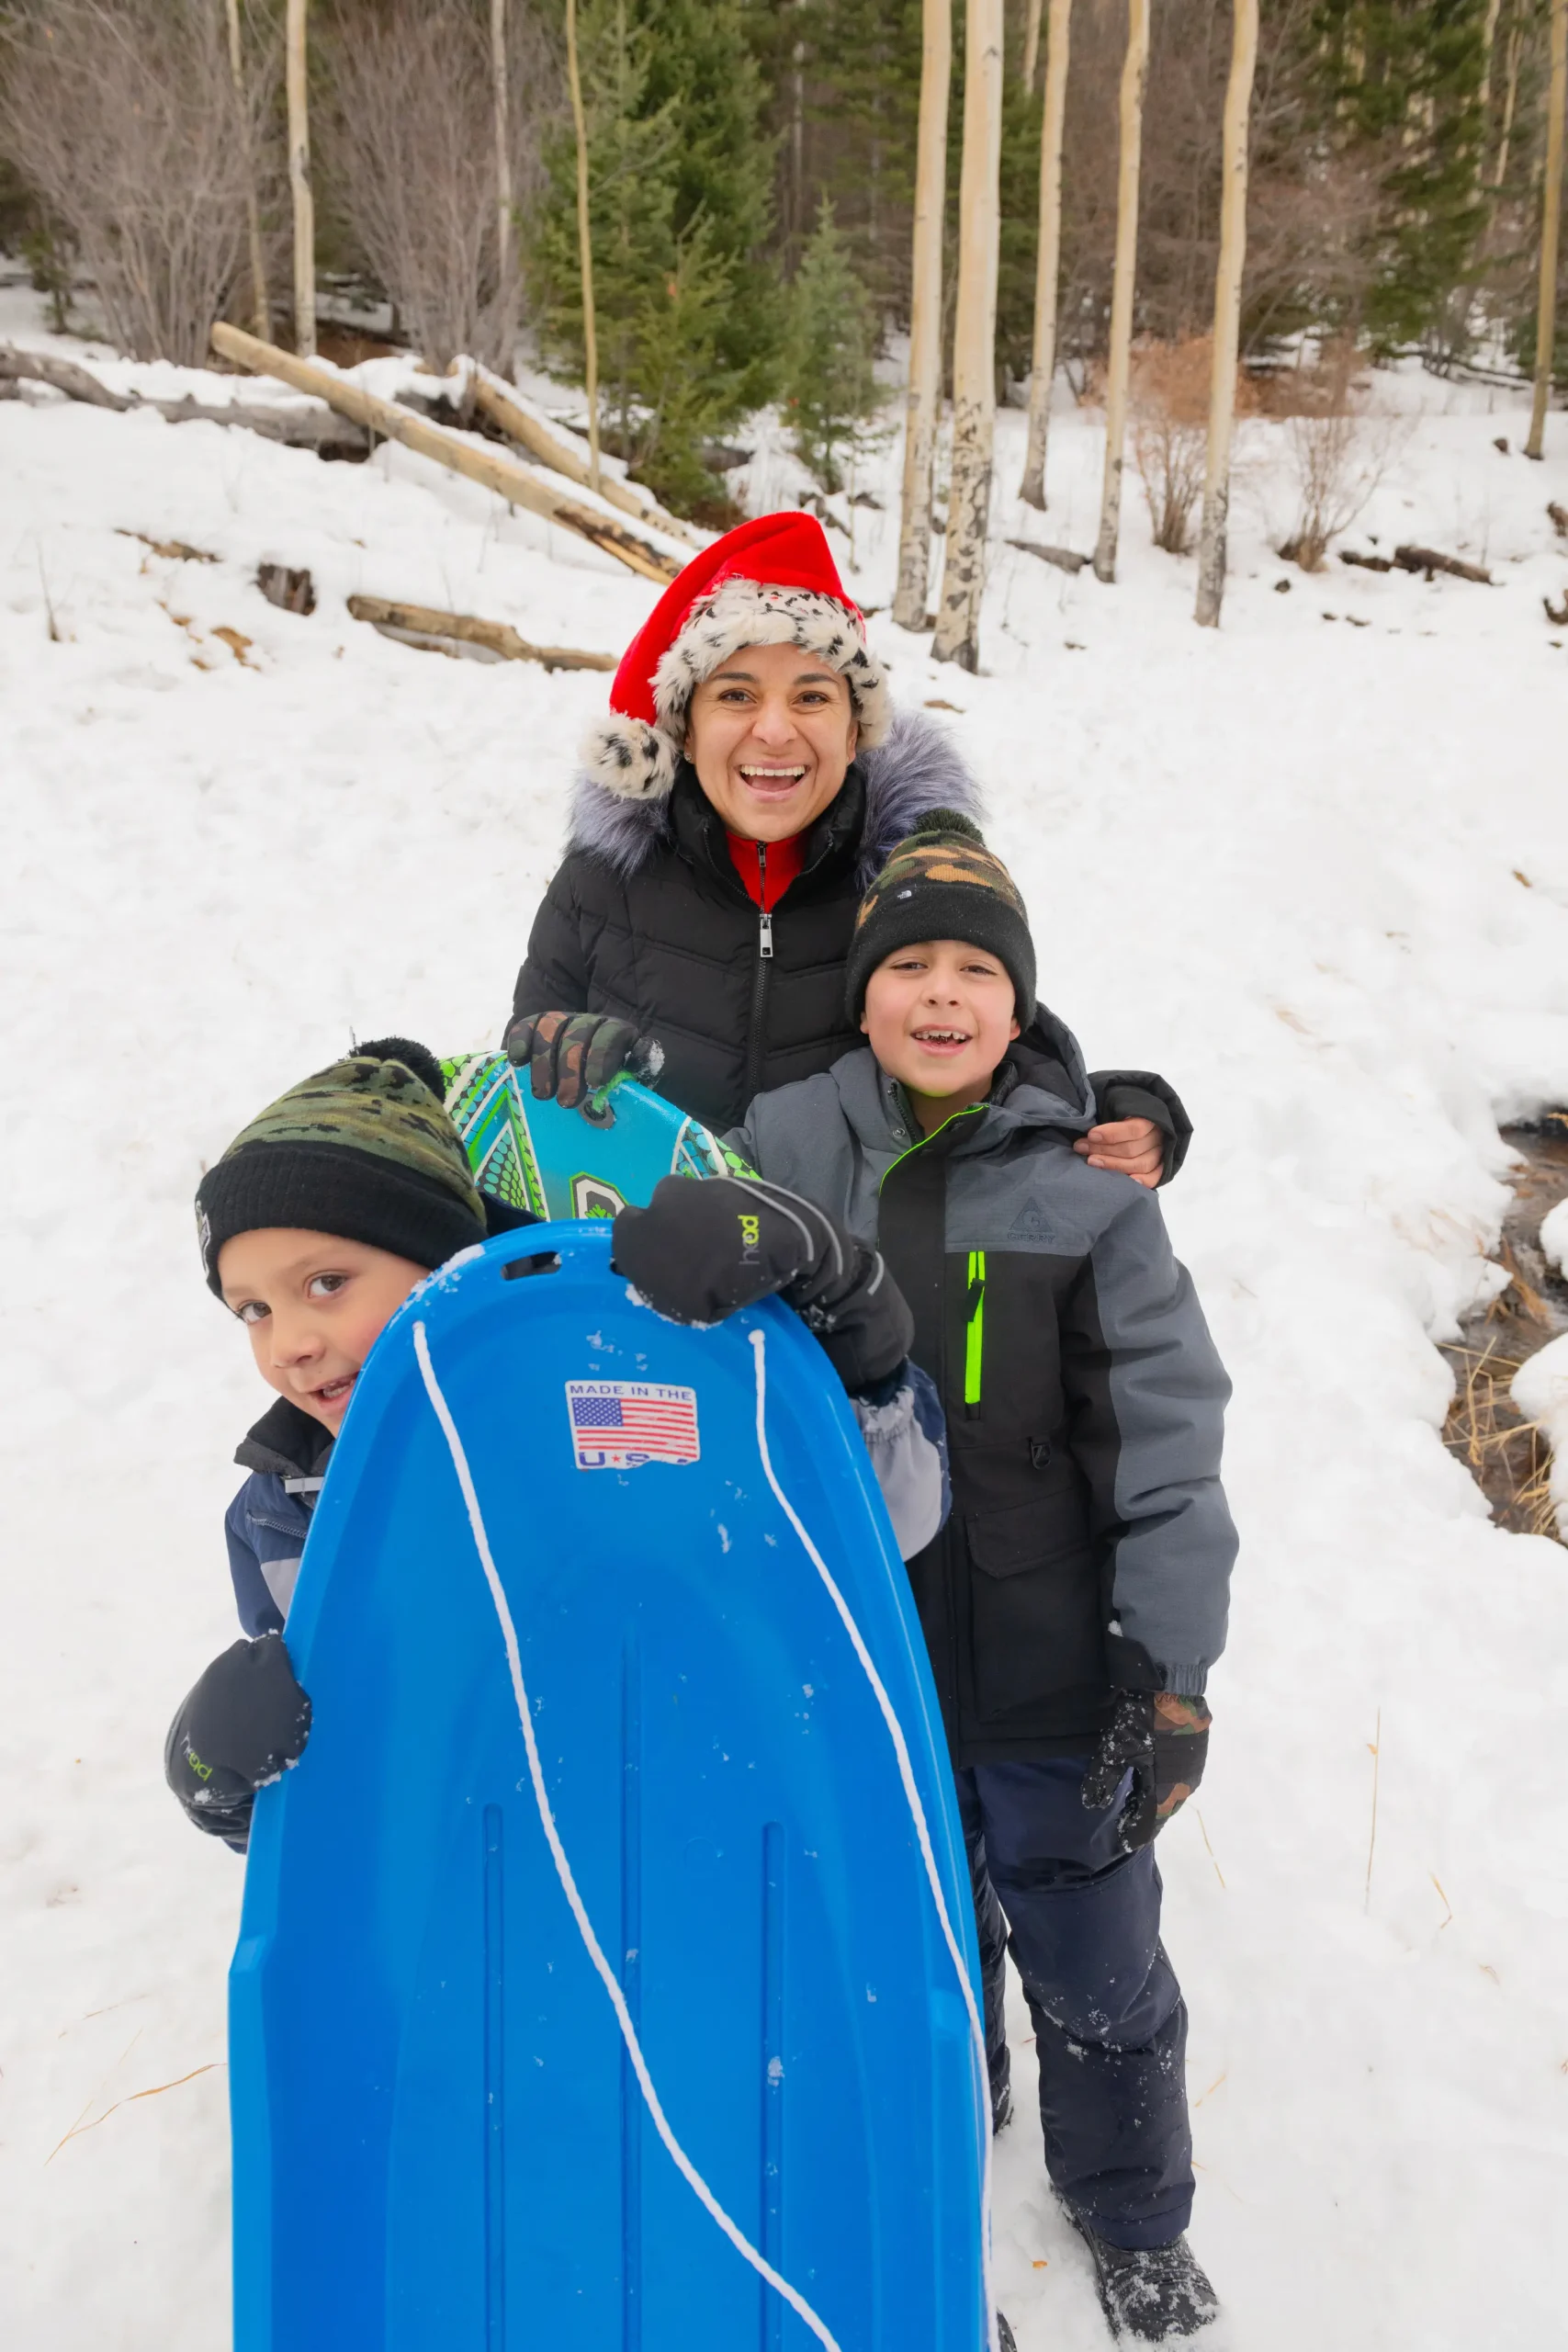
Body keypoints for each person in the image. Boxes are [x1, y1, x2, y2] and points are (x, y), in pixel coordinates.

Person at [612, 813, 1238, 2345]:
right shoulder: (775, 1145)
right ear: (864, 994)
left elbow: (1168, 1438)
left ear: (1019, 1009)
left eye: (977, 969)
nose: (942, 995)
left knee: (1096, 1961)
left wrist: (1165, 1671)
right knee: (916, 1940)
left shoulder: (1089, 1186)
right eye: (909, 965)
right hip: (860, 1660)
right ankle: (963, 2106)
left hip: (1044, 1670)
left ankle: (1131, 2208)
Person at [164, 1038, 943, 1850]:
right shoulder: (283, 1518)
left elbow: (885, 1531)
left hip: (727, 1859)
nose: (287, 1343)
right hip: (495, 1913)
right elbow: (353, 1807)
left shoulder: (613, 1416)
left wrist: (852, 1327)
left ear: (443, 1271)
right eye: (252, 1310)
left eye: (326, 1284)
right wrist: (233, 1792)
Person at [506, 510, 1188, 1192]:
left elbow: (988, 1052)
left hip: (850, 1279)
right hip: (643, 1262)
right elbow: (521, 1118)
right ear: (683, 731)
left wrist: (1106, 1117)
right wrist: (558, 1060)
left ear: (855, 728)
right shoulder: (599, 885)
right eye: (736, 695)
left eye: (811, 696)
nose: (773, 731)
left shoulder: (911, 880)